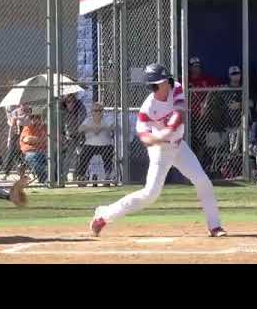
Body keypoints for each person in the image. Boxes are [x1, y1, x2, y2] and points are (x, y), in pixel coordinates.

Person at [90, 63, 226, 238]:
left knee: (203, 181)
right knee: (150, 194)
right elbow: (143, 135)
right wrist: (153, 139)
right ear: (153, 86)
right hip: (160, 151)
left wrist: (167, 131)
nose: (168, 83)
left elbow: (179, 114)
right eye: (162, 82)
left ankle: (214, 226)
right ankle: (103, 215)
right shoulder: (147, 108)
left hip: (179, 146)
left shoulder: (176, 88)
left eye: (167, 80)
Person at [188, 56, 221, 169]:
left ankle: (210, 165)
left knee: (208, 142)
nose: (196, 69)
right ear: (190, 68)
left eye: (198, 66)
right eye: (194, 66)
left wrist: (206, 102)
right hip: (191, 117)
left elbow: (217, 88)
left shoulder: (206, 79)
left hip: (206, 118)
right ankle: (194, 165)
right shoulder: (186, 80)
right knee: (194, 142)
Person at [76, 102, 115, 184]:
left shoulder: (106, 118)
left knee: (108, 155)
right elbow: (80, 129)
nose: (98, 113)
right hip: (90, 144)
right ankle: (81, 176)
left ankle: (108, 175)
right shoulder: (88, 120)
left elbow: (112, 126)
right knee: (83, 156)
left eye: (100, 110)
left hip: (105, 144)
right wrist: (91, 128)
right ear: (92, 112)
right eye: (95, 111)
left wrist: (101, 127)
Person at [1, 104, 31, 180]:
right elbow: (11, 125)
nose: (24, 105)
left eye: (26, 103)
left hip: (26, 132)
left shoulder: (30, 111)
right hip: (16, 133)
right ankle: (6, 173)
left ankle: (23, 173)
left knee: (23, 154)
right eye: (22, 104)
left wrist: (17, 118)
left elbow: (28, 120)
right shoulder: (15, 112)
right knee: (11, 152)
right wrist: (9, 138)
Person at [61, 93, 87, 181]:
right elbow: (61, 124)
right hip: (69, 135)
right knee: (68, 156)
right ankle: (63, 176)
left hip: (80, 135)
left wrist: (81, 133)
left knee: (79, 155)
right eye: (68, 102)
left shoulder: (80, 107)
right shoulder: (62, 108)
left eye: (72, 101)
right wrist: (63, 135)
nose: (70, 104)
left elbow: (83, 119)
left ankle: (77, 175)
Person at [20, 113, 48, 184]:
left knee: (57, 156)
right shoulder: (28, 128)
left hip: (45, 151)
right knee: (34, 157)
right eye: (33, 118)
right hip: (31, 152)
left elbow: (52, 139)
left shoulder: (45, 127)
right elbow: (27, 139)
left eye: (37, 118)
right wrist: (42, 140)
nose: (35, 120)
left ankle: (56, 178)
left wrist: (35, 140)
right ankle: (45, 179)